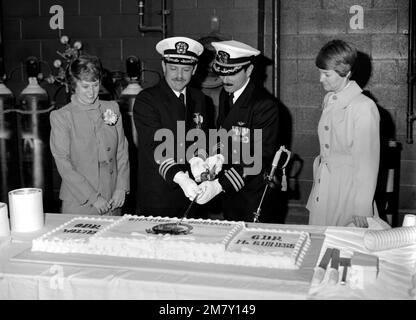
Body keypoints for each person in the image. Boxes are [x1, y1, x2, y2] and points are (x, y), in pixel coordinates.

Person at [194, 40, 282, 223]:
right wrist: (215, 159)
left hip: (253, 196)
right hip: (230, 195)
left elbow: (258, 157)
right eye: (222, 73)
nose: (225, 80)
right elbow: (224, 135)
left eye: (231, 73)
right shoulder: (227, 94)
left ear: (248, 70)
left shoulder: (264, 106)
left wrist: (219, 185)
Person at [306, 40, 380, 227]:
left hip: (348, 192)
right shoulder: (330, 99)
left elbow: (367, 162)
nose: (320, 79)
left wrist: (362, 207)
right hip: (325, 187)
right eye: (320, 72)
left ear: (346, 72)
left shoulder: (364, 107)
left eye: (326, 74)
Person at [133, 36, 209, 218]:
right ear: (163, 66)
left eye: (186, 69)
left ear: (195, 69)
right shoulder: (147, 99)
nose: (179, 76)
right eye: (173, 68)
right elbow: (155, 146)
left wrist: (205, 166)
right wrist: (181, 178)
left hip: (193, 193)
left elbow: (202, 139)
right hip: (159, 194)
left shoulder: (200, 99)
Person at [50, 55, 130, 215]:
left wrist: (121, 187)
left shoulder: (112, 108)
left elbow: (122, 151)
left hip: (113, 198)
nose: (91, 92)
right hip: (79, 200)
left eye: (95, 85)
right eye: (85, 86)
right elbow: (64, 165)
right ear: (73, 85)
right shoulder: (62, 117)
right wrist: (93, 197)